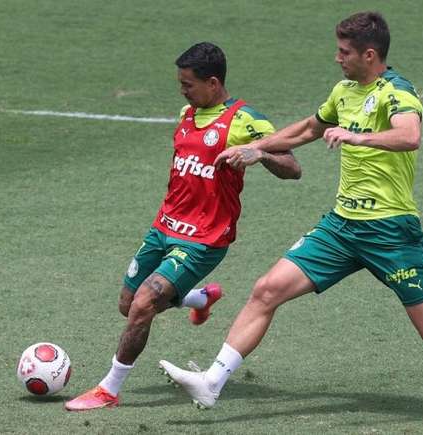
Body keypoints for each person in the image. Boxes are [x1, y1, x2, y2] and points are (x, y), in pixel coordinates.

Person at [159, 12, 423, 414]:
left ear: (369, 54)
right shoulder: (344, 91)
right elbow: (309, 128)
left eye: (344, 52)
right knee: (266, 290)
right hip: (341, 228)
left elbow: (409, 135)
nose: (337, 58)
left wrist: (357, 136)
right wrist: (260, 149)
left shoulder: (397, 91)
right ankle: (212, 382)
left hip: (391, 231)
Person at [65, 42, 302, 411]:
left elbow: (293, 169)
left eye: (188, 84)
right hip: (164, 227)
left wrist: (261, 153)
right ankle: (198, 297)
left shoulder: (244, 120)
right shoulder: (186, 113)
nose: (182, 91)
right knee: (128, 305)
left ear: (213, 82)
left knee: (144, 304)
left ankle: (108, 390)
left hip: (205, 238)